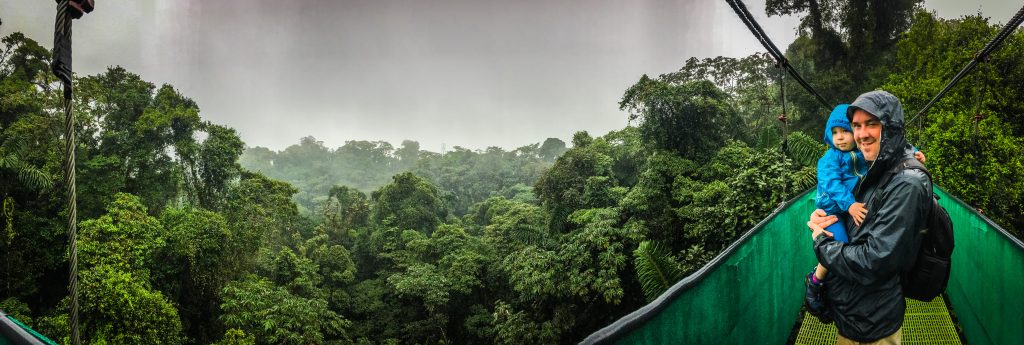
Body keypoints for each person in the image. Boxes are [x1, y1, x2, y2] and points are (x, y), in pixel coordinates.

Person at [807, 90, 931, 344]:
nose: (861, 134)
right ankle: (819, 283)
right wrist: (825, 215)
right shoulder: (873, 164)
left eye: (872, 124)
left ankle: (816, 281)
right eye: (856, 126)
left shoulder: (906, 183)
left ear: (891, 128)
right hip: (850, 313)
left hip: (873, 323)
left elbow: (875, 259)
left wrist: (821, 240)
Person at [803, 104, 868, 321]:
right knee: (838, 244)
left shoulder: (861, 152)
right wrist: (850, 204)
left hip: (849, 207)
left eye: (845, 131)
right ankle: (815, 282)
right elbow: (831, 183)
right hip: (832, 210)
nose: (840, 138)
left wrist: (913, 151)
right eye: (835, 133)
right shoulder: (829, 158)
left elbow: (889, 146)